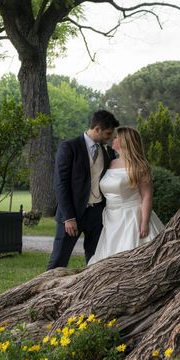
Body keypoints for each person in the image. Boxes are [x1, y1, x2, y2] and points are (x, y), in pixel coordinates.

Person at [47, 110, 120, 269]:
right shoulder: (69, 147)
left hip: (97, 214)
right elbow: (61, 184)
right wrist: (68, 217)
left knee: (95, 260)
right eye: (108, 133)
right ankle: (45, 291)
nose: (110, 137)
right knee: (59, 259)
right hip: (72, 214)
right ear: (97, 129)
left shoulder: (107, 151)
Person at [87, 126, 164, 265]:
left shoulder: (140, 166)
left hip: (132, 217)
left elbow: (147, 196)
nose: (113, 139)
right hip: (111, 217)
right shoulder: (110, 162)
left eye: (116, 137)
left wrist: (144, 222)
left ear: (125, 141)